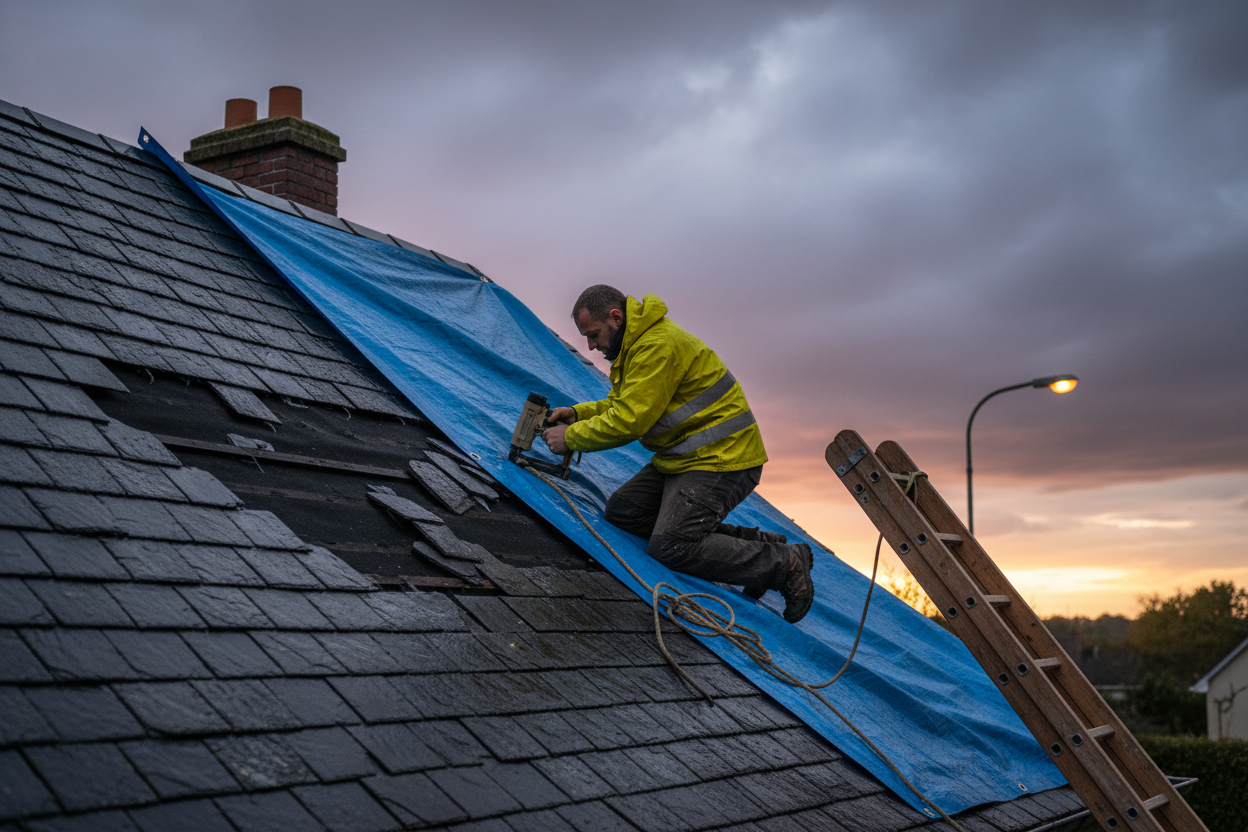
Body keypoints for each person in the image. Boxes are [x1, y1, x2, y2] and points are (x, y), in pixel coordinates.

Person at [542, 285, 815, 623]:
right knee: (624, 513)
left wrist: (571, 438)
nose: (591, 346)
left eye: (594, 335)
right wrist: (578, 414)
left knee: (670, 546)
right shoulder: (637, 347)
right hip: (687, 458)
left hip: (722, 460)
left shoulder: (657, 346)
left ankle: (783, 563)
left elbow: (630, 421)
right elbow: (621, 404)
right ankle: (758, 544)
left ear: (616, 317)